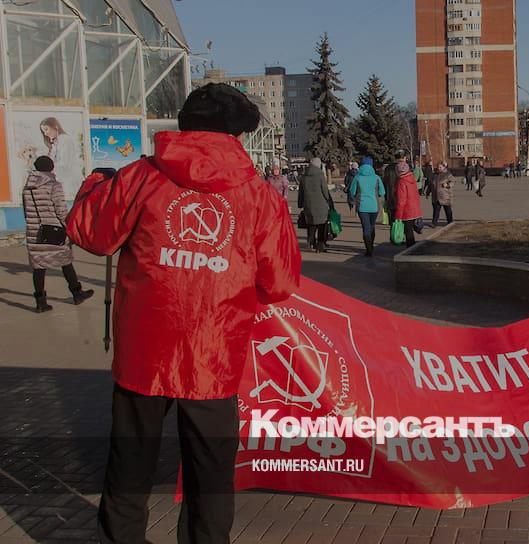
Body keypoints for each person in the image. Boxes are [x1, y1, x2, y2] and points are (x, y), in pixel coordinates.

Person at [66, 82, 300, 543]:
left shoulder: (140, 176)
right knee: (210, 472)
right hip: (213, 353)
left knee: (130, 462)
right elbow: (280, 283)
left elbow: (92, 232)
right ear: (237, 134)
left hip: (145, 350)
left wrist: (95, 184)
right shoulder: (258, 195)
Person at [21, 155, 94, 312]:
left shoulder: (27, 187)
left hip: (35, 232)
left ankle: (41, 303)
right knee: (65, 261)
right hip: (54, 230)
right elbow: (60, 211)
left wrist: (34, 225)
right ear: (51, 168)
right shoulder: (53, 185)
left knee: (39, 266)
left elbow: (26, 212)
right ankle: (77, 293)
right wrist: (69, 227)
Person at [349, 157, 386, 257]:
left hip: (362, 207)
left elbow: (352, 191)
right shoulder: (377, 178)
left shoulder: (357, 177)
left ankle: (369, 249)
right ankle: (371, 246)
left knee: (366, 227)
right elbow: (382, 192)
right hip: (374, 206)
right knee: (372, 226)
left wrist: (355, 197)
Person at [299, 157, 334, 252]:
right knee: (322, 225)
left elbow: (301, 191)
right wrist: (329, 201)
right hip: (321, 204)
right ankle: (320, 246)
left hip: (308, 204)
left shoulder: (304, 175)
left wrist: (300, 203)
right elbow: (325, 190)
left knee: (311, 225)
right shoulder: (320, 175)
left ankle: (311, 243)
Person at [394, 161, 422, 247]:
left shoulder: (401, 182)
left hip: (407, 210)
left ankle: (411, 249)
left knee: (408, 231)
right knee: (410, 230)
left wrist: (398, 215)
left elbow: (401, 200)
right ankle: (412, 247)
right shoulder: (412, 179)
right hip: (415, 208)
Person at [383, 150, 406, 222]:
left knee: (393, 221)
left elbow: (384, 183)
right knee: (403, 221)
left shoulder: (388, 168)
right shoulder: (405, 168)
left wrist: (386, 197)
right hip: (403, 198)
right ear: (404, 157)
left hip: (390, 197)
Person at [432, 162, 454, 227]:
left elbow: (453, 181)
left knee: (448, 210)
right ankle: (434, 223)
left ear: (444, 167)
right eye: (438, 167)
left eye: (440, 167)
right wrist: (428, 192)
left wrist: (447, 185)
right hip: (436, 196)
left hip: (445, 196)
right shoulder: (435, 175)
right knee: (436, 211)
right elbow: (431, 184)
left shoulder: (448, 174)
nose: (439, 168)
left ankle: (450, 222)